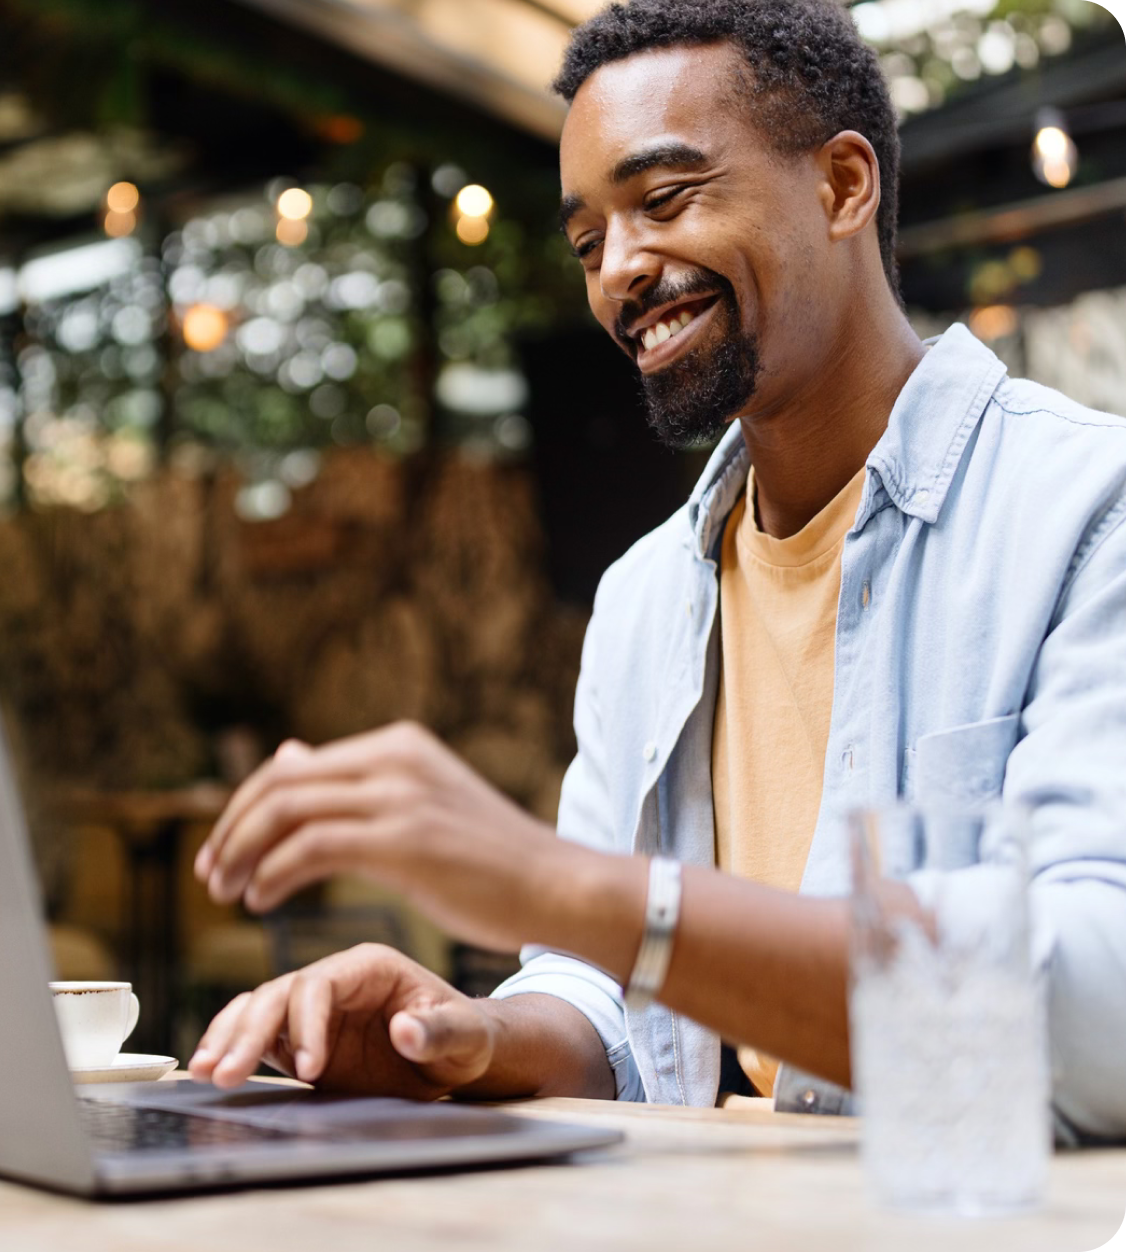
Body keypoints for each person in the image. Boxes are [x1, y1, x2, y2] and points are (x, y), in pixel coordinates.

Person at [189, 0, 1126, 1141]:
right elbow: (614, 1000)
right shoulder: (646, 595)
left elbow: (1097, 1017)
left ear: (841, 187)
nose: (619, 271)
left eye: (665, 199)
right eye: (588, 241)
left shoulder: (1088, 511)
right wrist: (466, 1039)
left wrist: (561, 886)